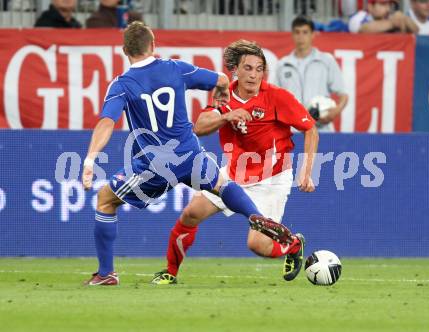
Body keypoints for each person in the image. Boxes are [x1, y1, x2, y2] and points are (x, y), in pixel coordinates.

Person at [81, 22, 293, 286]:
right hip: (190, 155)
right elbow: (222, 79)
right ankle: (254, 216)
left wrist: (90, 159)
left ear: (125, 50)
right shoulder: (175, 68)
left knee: (105, 200)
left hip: (153, 166)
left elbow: (106, 122)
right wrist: (222, 93)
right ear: (153, 45)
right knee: (221, 185)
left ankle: (105, 274)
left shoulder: (122, 84)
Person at [151, 39, 319, 285]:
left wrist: (306, 172)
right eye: (248, 68)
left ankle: (293, 245)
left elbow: (310, 129)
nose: (253, 75)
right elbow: (199, 126)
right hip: (233, 174)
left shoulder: (277, 97)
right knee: (190, 214)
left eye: (259, 69)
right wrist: (227, 115)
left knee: (257, 244)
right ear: (235, 70)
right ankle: (170, 272)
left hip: (270, 179)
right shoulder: (224, 95)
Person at [275, 16, 348, 133]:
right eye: (297, 32)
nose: (301, 37)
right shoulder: (282, 64)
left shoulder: (326, 60)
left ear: (313, 34)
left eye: (305, 32)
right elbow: (273, 98)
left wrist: (335, 111)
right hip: (292, 133)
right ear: (292, 35)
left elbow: (343, 95)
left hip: (322, 131)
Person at [348, 0, 419, 33]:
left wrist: (404, 19)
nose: (388, 9)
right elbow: (364, 30)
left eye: (389, 5)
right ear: (370, 7)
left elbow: (416, 32)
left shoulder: (391, 17)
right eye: (383, 4)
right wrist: (393, 23)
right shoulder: (359, 17)